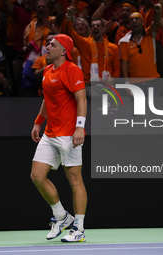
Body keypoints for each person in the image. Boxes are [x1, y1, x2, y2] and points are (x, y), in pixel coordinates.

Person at [30, 34, 87, 242]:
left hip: (69, 135)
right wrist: (38, 121)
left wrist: (80, 128)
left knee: (75, 181)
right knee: (37, 175)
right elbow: (48, 99)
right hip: (50, 133)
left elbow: (82, 99)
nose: (48, 47)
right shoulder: (47, 70)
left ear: (64, 51)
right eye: (48, 44)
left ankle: (79, 228)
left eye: (53, 45)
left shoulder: (72, 70)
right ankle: (61, 215)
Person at [66, 6, 120, 85]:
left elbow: (116, 68)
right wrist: (69, 17)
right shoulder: (85, 43)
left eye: (98, 25)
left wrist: (113, 79)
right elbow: (70, 31)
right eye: (93, 26)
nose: (95, 27)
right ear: (90, 29)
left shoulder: (113, 47)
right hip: (89, 84)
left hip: (107, 84)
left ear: (103, 29)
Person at [119, 11, 161, 95]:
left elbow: (156, 22)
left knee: (155, 107)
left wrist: (156, 11)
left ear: (142, 22)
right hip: (135, 83)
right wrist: (127, 83)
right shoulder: (125, 41)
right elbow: (124, 64)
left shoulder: (150, 33)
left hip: (153, 81)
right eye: (131, 20)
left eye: (137, 19)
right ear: (130, 24)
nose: (134, 21)